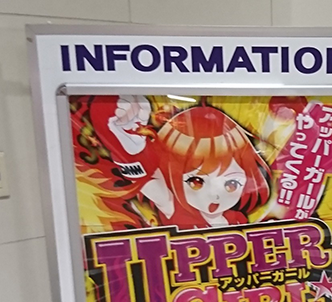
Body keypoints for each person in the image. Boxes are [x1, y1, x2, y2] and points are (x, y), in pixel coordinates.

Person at [88, 95, 271, 230]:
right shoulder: (173, 206)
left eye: (231, 184)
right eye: (196, 182)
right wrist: (124, 137)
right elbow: (144, 177)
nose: (215, 195)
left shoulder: (235, 218)